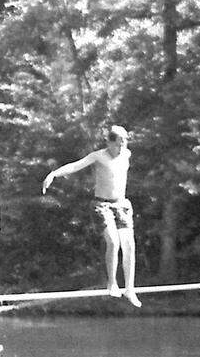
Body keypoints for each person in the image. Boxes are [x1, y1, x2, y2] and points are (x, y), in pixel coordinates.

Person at [42, 125, 141, 307]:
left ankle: (129, 289)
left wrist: (123, 144)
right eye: (119, 144)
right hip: (102, 205)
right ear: (109, 143)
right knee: (113, 242)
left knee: (129, 245)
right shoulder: (98, 156)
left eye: (124, 143)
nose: (122, 147)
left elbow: (124, 153)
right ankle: (112, 283)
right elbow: (75, 165)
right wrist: (54, 174)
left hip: (122, 205)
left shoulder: (126, 155)